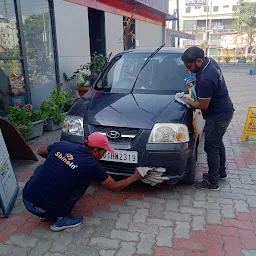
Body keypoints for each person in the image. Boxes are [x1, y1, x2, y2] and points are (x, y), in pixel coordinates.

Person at [23, 132, 143, 231]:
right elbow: (115, 187)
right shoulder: (93, 166)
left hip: (27, 198)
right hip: (46, 209)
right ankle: (59, 219)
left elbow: (40, 151)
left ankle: (44, 209)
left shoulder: (64, 145)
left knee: (42, 169)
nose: (104, 154)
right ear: (96, 151)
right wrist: (135, 177)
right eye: (104, 151)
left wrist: (60, 161)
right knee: (84, 181)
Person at [181, 46, 234, 191]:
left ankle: (212, 182)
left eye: (190, 66)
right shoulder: (209, 62)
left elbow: (202, 105)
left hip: (218, 116)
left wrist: (188, 101)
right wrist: (194, 85)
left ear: (199, 60)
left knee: (210, 146)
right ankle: (220, 172)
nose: (189, 69)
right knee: (217, 143)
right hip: (224, 111)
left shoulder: (206, 78)